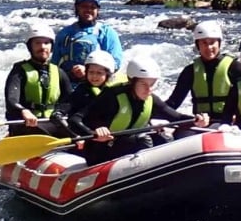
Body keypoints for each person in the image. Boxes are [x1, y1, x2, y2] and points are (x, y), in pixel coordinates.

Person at [66, 57, 207, 164]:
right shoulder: (112, 96)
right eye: (143, 84)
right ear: (132, 81)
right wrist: (93, 133)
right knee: (142, 140)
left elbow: (176, 117)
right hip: (101, 152)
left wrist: (197, 120)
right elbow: (74, 119)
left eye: (152, 84)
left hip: (128, 150)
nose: (149, 89)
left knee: (161, 139)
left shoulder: (151, 99)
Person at [166, 20, 241, 124]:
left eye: (212, 42)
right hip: (200, 124)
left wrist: (239, 115)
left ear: (219, 43)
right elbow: (173, 103)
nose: (208, 47)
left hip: (228, 124)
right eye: (204, 43)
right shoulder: (190, 71)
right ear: (198, 45)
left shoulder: (234, 68)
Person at [3, 22, 69, 137]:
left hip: (51, 122)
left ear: (51, 47)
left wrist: (60, 112)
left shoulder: (59, 72)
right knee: (39, 129)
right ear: (30, 46)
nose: (42, 47)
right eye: (37, 43)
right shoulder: (19, 70)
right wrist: (23, 111)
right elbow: (11, 100)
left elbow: (69, 101)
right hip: (27, 124)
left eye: (46, 43)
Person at [52, 0, 124, 82]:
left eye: (92, 7)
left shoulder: (107, 33)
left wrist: (90, 71)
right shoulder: (64, 33)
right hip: (69, 83)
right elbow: (54, 64)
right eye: (84, 6)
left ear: (98, 10)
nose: (88, 10)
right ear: (77, 8)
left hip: (96, 85)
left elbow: (116, 63)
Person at [52, 48, 125, 135]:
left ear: (108, 74)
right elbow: (58, 115)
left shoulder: (115, 92)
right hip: (84, 135)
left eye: (99, 73)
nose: (94, 76)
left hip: (108, 136)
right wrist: (81, 135)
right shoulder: (81, 91)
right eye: (91, 72)